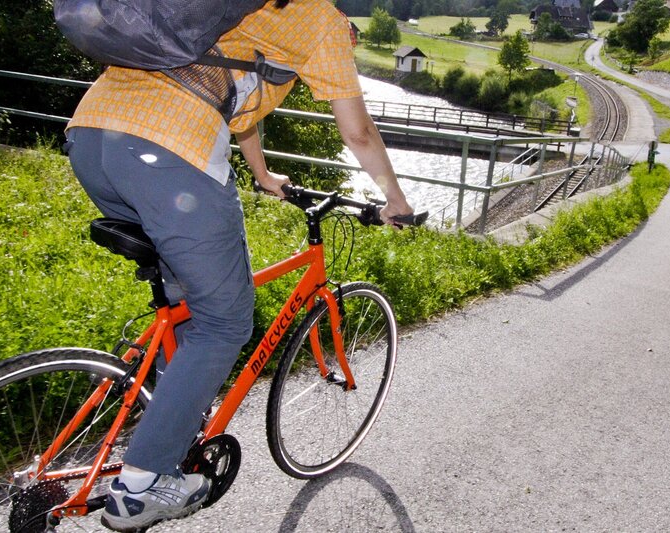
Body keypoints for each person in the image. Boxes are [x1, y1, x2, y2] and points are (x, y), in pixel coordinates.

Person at [63, 0, 415, 530]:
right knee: (224, 322)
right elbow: (358, 132)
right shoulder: (322, 20)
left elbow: (235, 100)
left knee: (190, 306)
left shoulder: (242, 8)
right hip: (168, 150)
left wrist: (263, 174)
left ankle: (171, 411)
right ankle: (141, 484)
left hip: (92, 137)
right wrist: (395, 199)